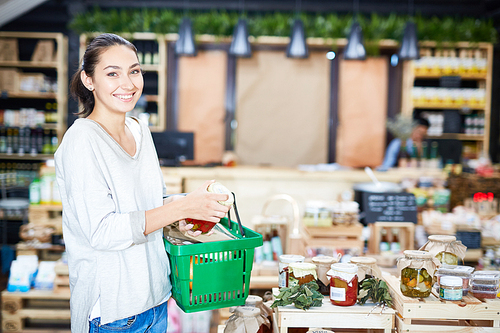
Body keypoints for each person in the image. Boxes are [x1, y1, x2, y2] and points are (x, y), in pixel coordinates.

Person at [55, 33, 231, 332]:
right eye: (112, 74)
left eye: (134, 71)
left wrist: (185, 209)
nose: (128, 84)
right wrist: (180, 208)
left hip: (156, 299)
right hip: (114, 312)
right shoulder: (82, 141)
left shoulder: (139, 129)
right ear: (89, 80)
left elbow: (151, 204)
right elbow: (102, 232)